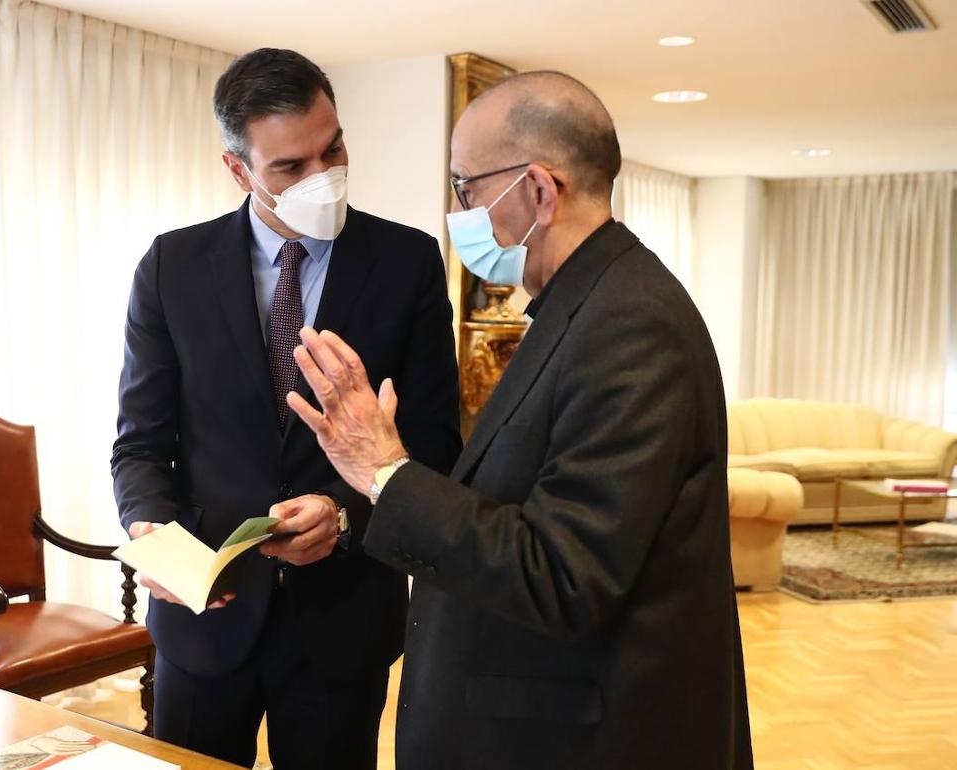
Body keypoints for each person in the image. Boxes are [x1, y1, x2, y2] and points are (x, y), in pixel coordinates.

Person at [286, 71, 753, 769]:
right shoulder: (585, 303)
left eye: (466, 188)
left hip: (584, 737)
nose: (462, 211)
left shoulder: (631, 324)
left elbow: (563, 574)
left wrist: (386, 472)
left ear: (538, 191)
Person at [110, 48, 461, 770]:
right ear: (238, 171)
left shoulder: (408, 264)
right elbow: (141, 445)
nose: (320, 176)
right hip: (205, 615)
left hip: (342, 619)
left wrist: (344, 512)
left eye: (331, 149)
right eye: (290, 167)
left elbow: (433, 445)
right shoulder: (172, 268)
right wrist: (150, 531)